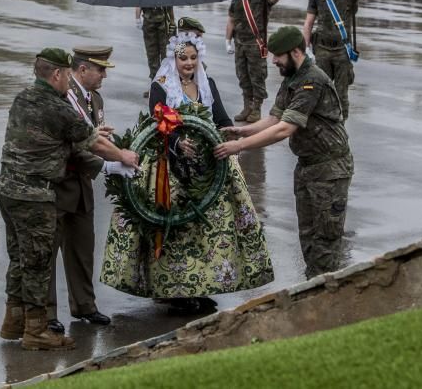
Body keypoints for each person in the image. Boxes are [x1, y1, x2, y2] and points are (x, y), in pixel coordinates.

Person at [101, 32, 274, 314]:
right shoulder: (161, 86)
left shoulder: (208, 84)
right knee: (175, 229)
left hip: (207, 167)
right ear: (174, 58)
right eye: (183, 58)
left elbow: (221, 118)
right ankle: (173, 291)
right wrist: (178, 143)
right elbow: (155, 125)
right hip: (170, 168)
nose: (189, 63)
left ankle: (200, 286)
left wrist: (229, 141)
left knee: (207, 229)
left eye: (193, 57)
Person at [0, 48, 139, 352]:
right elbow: (93, 142)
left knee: (21, 259)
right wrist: (122, 157)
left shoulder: (24, 98)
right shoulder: (57, 106)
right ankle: (36, 330)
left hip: (9, 188)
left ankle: (14, 320)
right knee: (37, 262)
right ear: (59, 74)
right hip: (34, 194)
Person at [214, 26, 354, 279]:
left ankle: (326, 297)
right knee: (308, 237)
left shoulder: (312, 80)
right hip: (308, 167)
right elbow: (274, 118)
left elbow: (284, 130)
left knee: (325, 242)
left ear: (296, 52)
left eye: (278, 55)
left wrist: (238, 147)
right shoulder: (293, 78)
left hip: (329, 170)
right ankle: (314, 290)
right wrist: (242, 131)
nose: (274, 60)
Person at [46, 46, 117, 334]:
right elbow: (72, 143)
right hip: (57, 184)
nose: (103, 76)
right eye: (100, 70)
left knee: (82, 248)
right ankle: (47, 313)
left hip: (82, 185)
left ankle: (84, 305)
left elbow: (92, 137)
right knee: (48, 254)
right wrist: (112, 163)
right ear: (83, 69)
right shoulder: (63, 96)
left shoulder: (94, 99)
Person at [302, 0, 379, 119]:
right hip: (322, 48)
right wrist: (306, 48)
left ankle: (340, 124)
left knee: (341, 92)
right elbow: (308, 22)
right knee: (321, 88)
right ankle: (323, 122)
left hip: (342, 50)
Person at [226, 0, 281, 123]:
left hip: (256, 44)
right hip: (240, 44)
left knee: (257, 77)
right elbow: (231, 19)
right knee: (243, 76)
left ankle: (256, 109)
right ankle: (247, 107)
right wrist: (227, 41)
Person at [136, 6, 176, 84]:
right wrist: (137, 18)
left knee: (166, 55)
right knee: (152, 55)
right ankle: (155, 84)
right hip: (149, 22)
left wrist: (172, 21)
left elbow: (170, 4)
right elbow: (139, 3)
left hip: (164, 22)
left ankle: (165, 84)